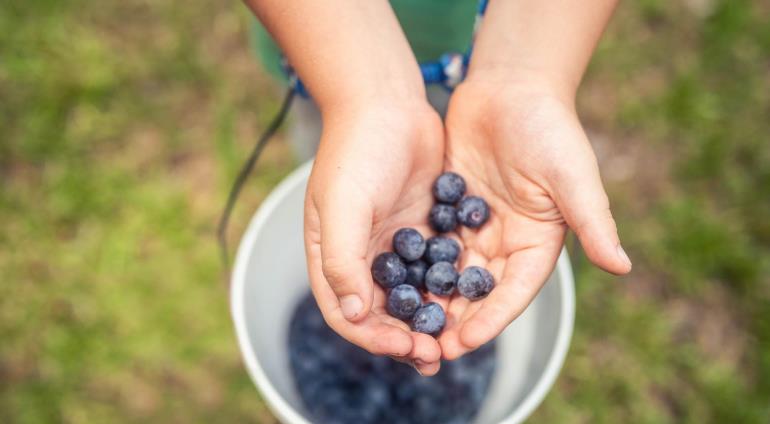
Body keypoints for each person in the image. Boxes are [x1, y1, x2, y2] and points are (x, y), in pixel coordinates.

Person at [244, 0, 632, 376]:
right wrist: (361, 98)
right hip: (320, 46)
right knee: (344, 182)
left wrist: (525, 76)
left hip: (492, 40)